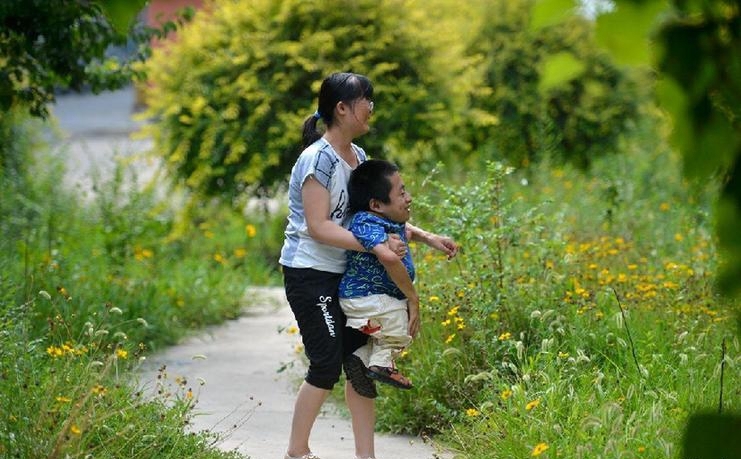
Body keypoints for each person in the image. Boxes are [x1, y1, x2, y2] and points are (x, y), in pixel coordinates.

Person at [279, 71, 458, 459]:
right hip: (310, 274)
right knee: (325, 367)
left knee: (360, 366)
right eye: (366, 101)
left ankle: (366, 456)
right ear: (342, 109)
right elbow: (319, 226)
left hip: (345, 274)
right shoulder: (317, 160)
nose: (371, 108)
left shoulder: (357, 157)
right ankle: (297, 451)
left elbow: (377, 221)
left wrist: (427, 237)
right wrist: (375, 247)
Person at [339, 159, 419, 390]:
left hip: (372, 297)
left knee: (396, 329)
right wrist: (414, 298)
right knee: (400, 323)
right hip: (364, 297)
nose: (409, 198)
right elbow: (389, 258)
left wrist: (434, 241)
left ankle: (363, 359)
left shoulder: (387, 221)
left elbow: (406, 232)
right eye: (401, 193)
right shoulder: (366, 221)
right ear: (376, 204)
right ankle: (381, 365)